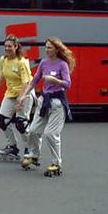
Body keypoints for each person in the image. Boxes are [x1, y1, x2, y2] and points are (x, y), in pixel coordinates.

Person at [17, 37, 75, 177]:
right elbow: (34, 80)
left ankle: (56, 162)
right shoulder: (43, 62)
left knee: (50, 133)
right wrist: (24, 95)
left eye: (49, 47)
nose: (47, 49)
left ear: (56, 49)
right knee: (33, 131)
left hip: (57, 103)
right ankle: (34, 155)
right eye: (46, 47)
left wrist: (54, 80)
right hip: (44, 101)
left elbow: (67, 84)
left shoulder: (62, 64)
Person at [0, 35, 34, 162]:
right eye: (6, 46)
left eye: (10, 46)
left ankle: (30, 148)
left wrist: (20, 100)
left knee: (21, 124)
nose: (7, 48)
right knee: (2, 121)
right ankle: (13, 147)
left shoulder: (22, 62)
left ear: (16, 47)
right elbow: (2, 76)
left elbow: (26, 83)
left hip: (25, 94)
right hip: (10, 94)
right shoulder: (4, 59)